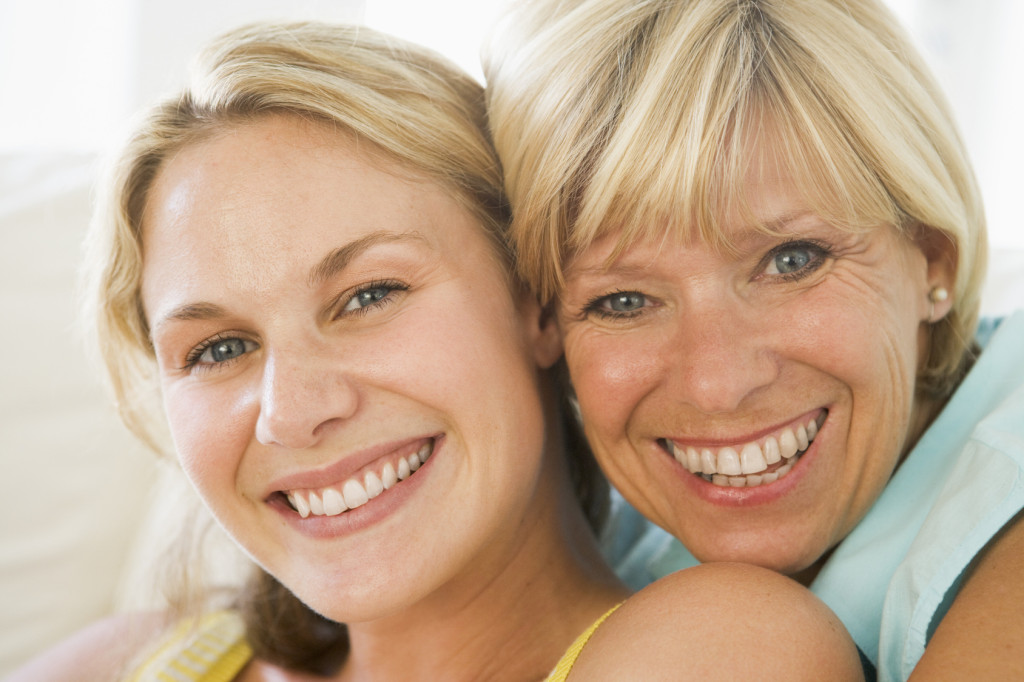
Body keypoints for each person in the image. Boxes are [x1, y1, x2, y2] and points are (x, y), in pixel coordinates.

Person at [8, 20, 863, 682]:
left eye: (368, 296)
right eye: (221, 346)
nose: (294, 410)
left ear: (537, 301)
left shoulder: (721, 649)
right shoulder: (132, 657)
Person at [484, 0, 1024, 680]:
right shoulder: (612, 538)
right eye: (622, 301)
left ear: (932, 258)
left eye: (793, 260)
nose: (717, 384)